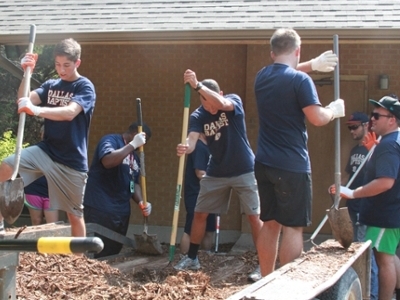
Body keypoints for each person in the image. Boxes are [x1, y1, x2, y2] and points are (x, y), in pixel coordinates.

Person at [253, 28, 345, 278]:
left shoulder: (261, 76)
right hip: (292, 166)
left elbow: (285, 71)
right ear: (298, 50)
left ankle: (265, 280)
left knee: (270, 224)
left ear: (272, 53)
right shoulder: (300, 81)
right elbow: (316, 118)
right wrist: (332, 110)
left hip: (263, 163)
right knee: (293, 228)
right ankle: (287, 288)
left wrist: (313, 65)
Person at [0, 38, 96, 237]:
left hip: (71, 161)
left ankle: (78, 260)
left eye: (66, 65)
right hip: (46, 151)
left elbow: (70, 112)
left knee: (74, 215)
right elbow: (24, 99)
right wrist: (27, 72)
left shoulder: (84, 87)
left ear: (77, 63)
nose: (61, 70)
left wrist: (35, 110)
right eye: (57, 64)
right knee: (6, 167)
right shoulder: (51, 85)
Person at [174, 71, 263, 271]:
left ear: (220, 93)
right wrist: (185, 147)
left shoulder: (233, 101)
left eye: (210, 100)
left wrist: (197, 85)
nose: (208, 106)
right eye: (203, 101)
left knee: (253, 216)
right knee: (199, 213)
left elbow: (222, 104)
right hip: (216, 171)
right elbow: (192, 140)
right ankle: (192, 258)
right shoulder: (198, 115)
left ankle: (263, 262)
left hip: (244, 168)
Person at [332, 96, 400, 300]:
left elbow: (386, 182)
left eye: (377, 115)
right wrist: (374, 151)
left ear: (392, 120)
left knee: (384, 260)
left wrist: (352, 193)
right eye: (372, 115)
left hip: (384, 214)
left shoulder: (388, 145)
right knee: (389, 256)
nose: (372, 120)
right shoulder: (390, 143)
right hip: (389, 213)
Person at [83, 122, 151, 258]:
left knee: (113, 252)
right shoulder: (111, 140)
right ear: (134, 134)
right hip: (100, 206)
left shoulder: (135, 158)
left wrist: (142, 202)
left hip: (121, 212)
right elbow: (108, 161)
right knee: (95, 250)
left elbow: (134, 183)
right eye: (143, 140)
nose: (143, 145)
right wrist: (132, 145)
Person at [343, 112, 379, 299]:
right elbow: (349, 175)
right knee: (356, 247)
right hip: (352, 204)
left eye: (354, 127)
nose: (351, 131)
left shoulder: (375, 150)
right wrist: (339, 189)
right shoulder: (355, 150)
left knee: (365, 250)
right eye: (349, 127)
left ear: (366, 126)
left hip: (366, 205)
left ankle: (371, 294)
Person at [180, 133, 216, 255]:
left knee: (209, 229)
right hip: (196, 194)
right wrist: (218, 183)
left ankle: (207, 258)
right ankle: (185, 257)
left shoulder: (210, 147)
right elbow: (200, 173)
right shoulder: (199, 147)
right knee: (191, 229)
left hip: (209, 194)